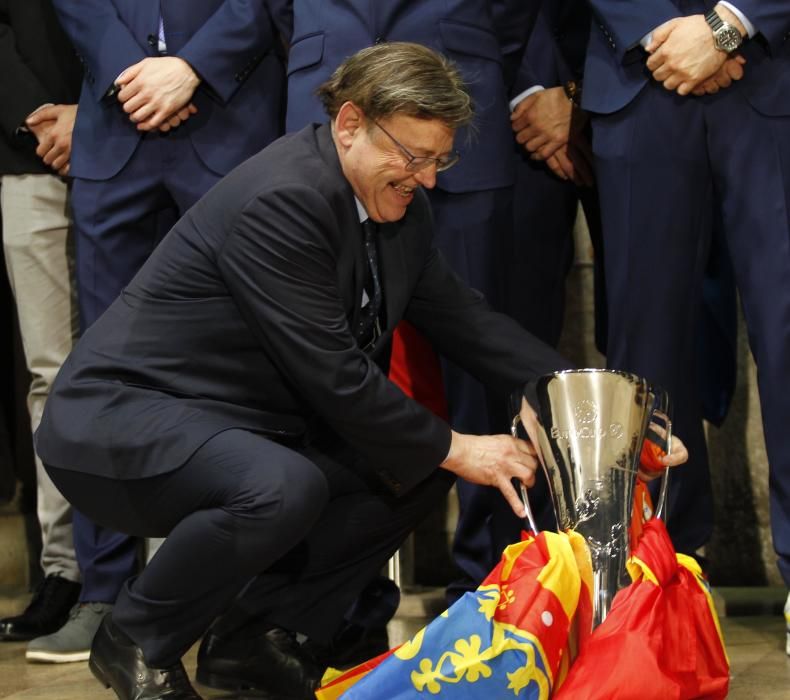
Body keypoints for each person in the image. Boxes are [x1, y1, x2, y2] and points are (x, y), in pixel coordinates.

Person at [34, 0, 287, 661]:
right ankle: (104, 590)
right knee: (101, 371)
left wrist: (193, 67)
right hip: (115, 131)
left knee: (247, 361)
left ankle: (239, 597)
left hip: (233, 123)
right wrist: (131, 72)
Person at [582, 0, 790, 648]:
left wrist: (733, 22)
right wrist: (656, 27)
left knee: (788, 336)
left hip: (774, 70)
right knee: (644, 345)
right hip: (638, 76)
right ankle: (662, 577)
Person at [0, 0, 82, 648]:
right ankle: (66, 569)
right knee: (49, 373)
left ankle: (169, 565)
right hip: (22, 153)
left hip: (153, 125)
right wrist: (38, 117)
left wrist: (95, 115)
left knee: (161, 367)